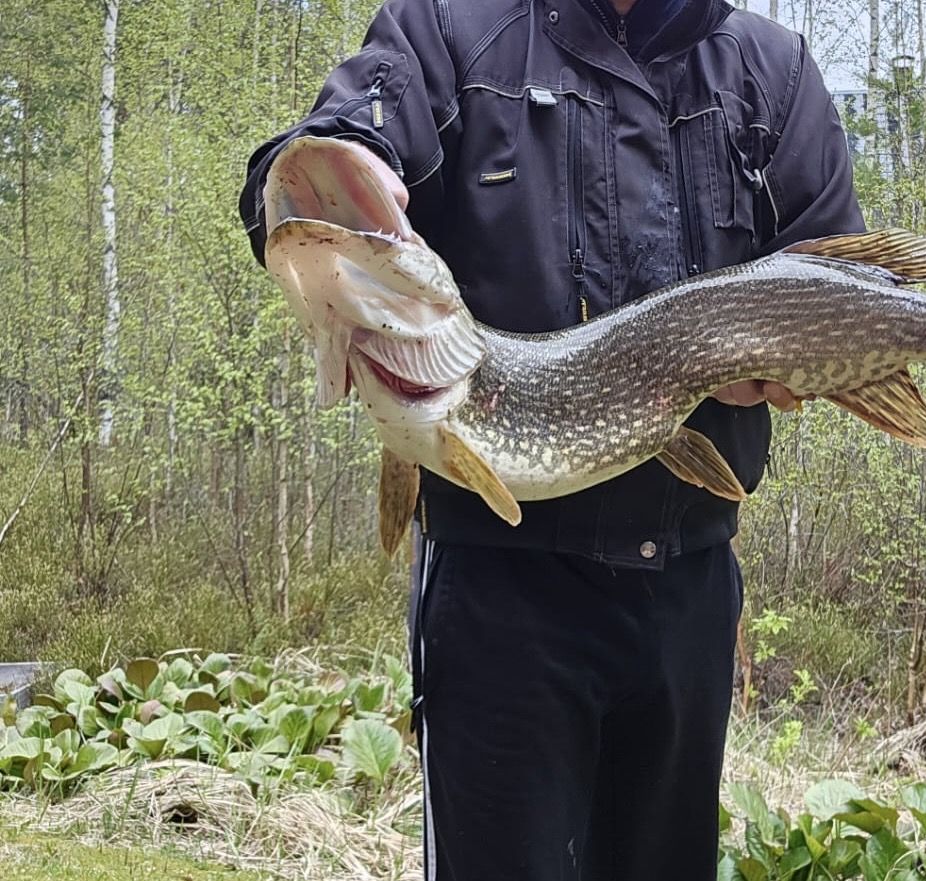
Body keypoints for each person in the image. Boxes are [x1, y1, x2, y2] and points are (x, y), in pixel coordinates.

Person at [240, 0, 863, 877]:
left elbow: (835, 268)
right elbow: (329, 143)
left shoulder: (772, 70)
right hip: (500, 599)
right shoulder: (449, 30)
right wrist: (335, 161)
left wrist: (802, 363)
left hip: (687, 590)